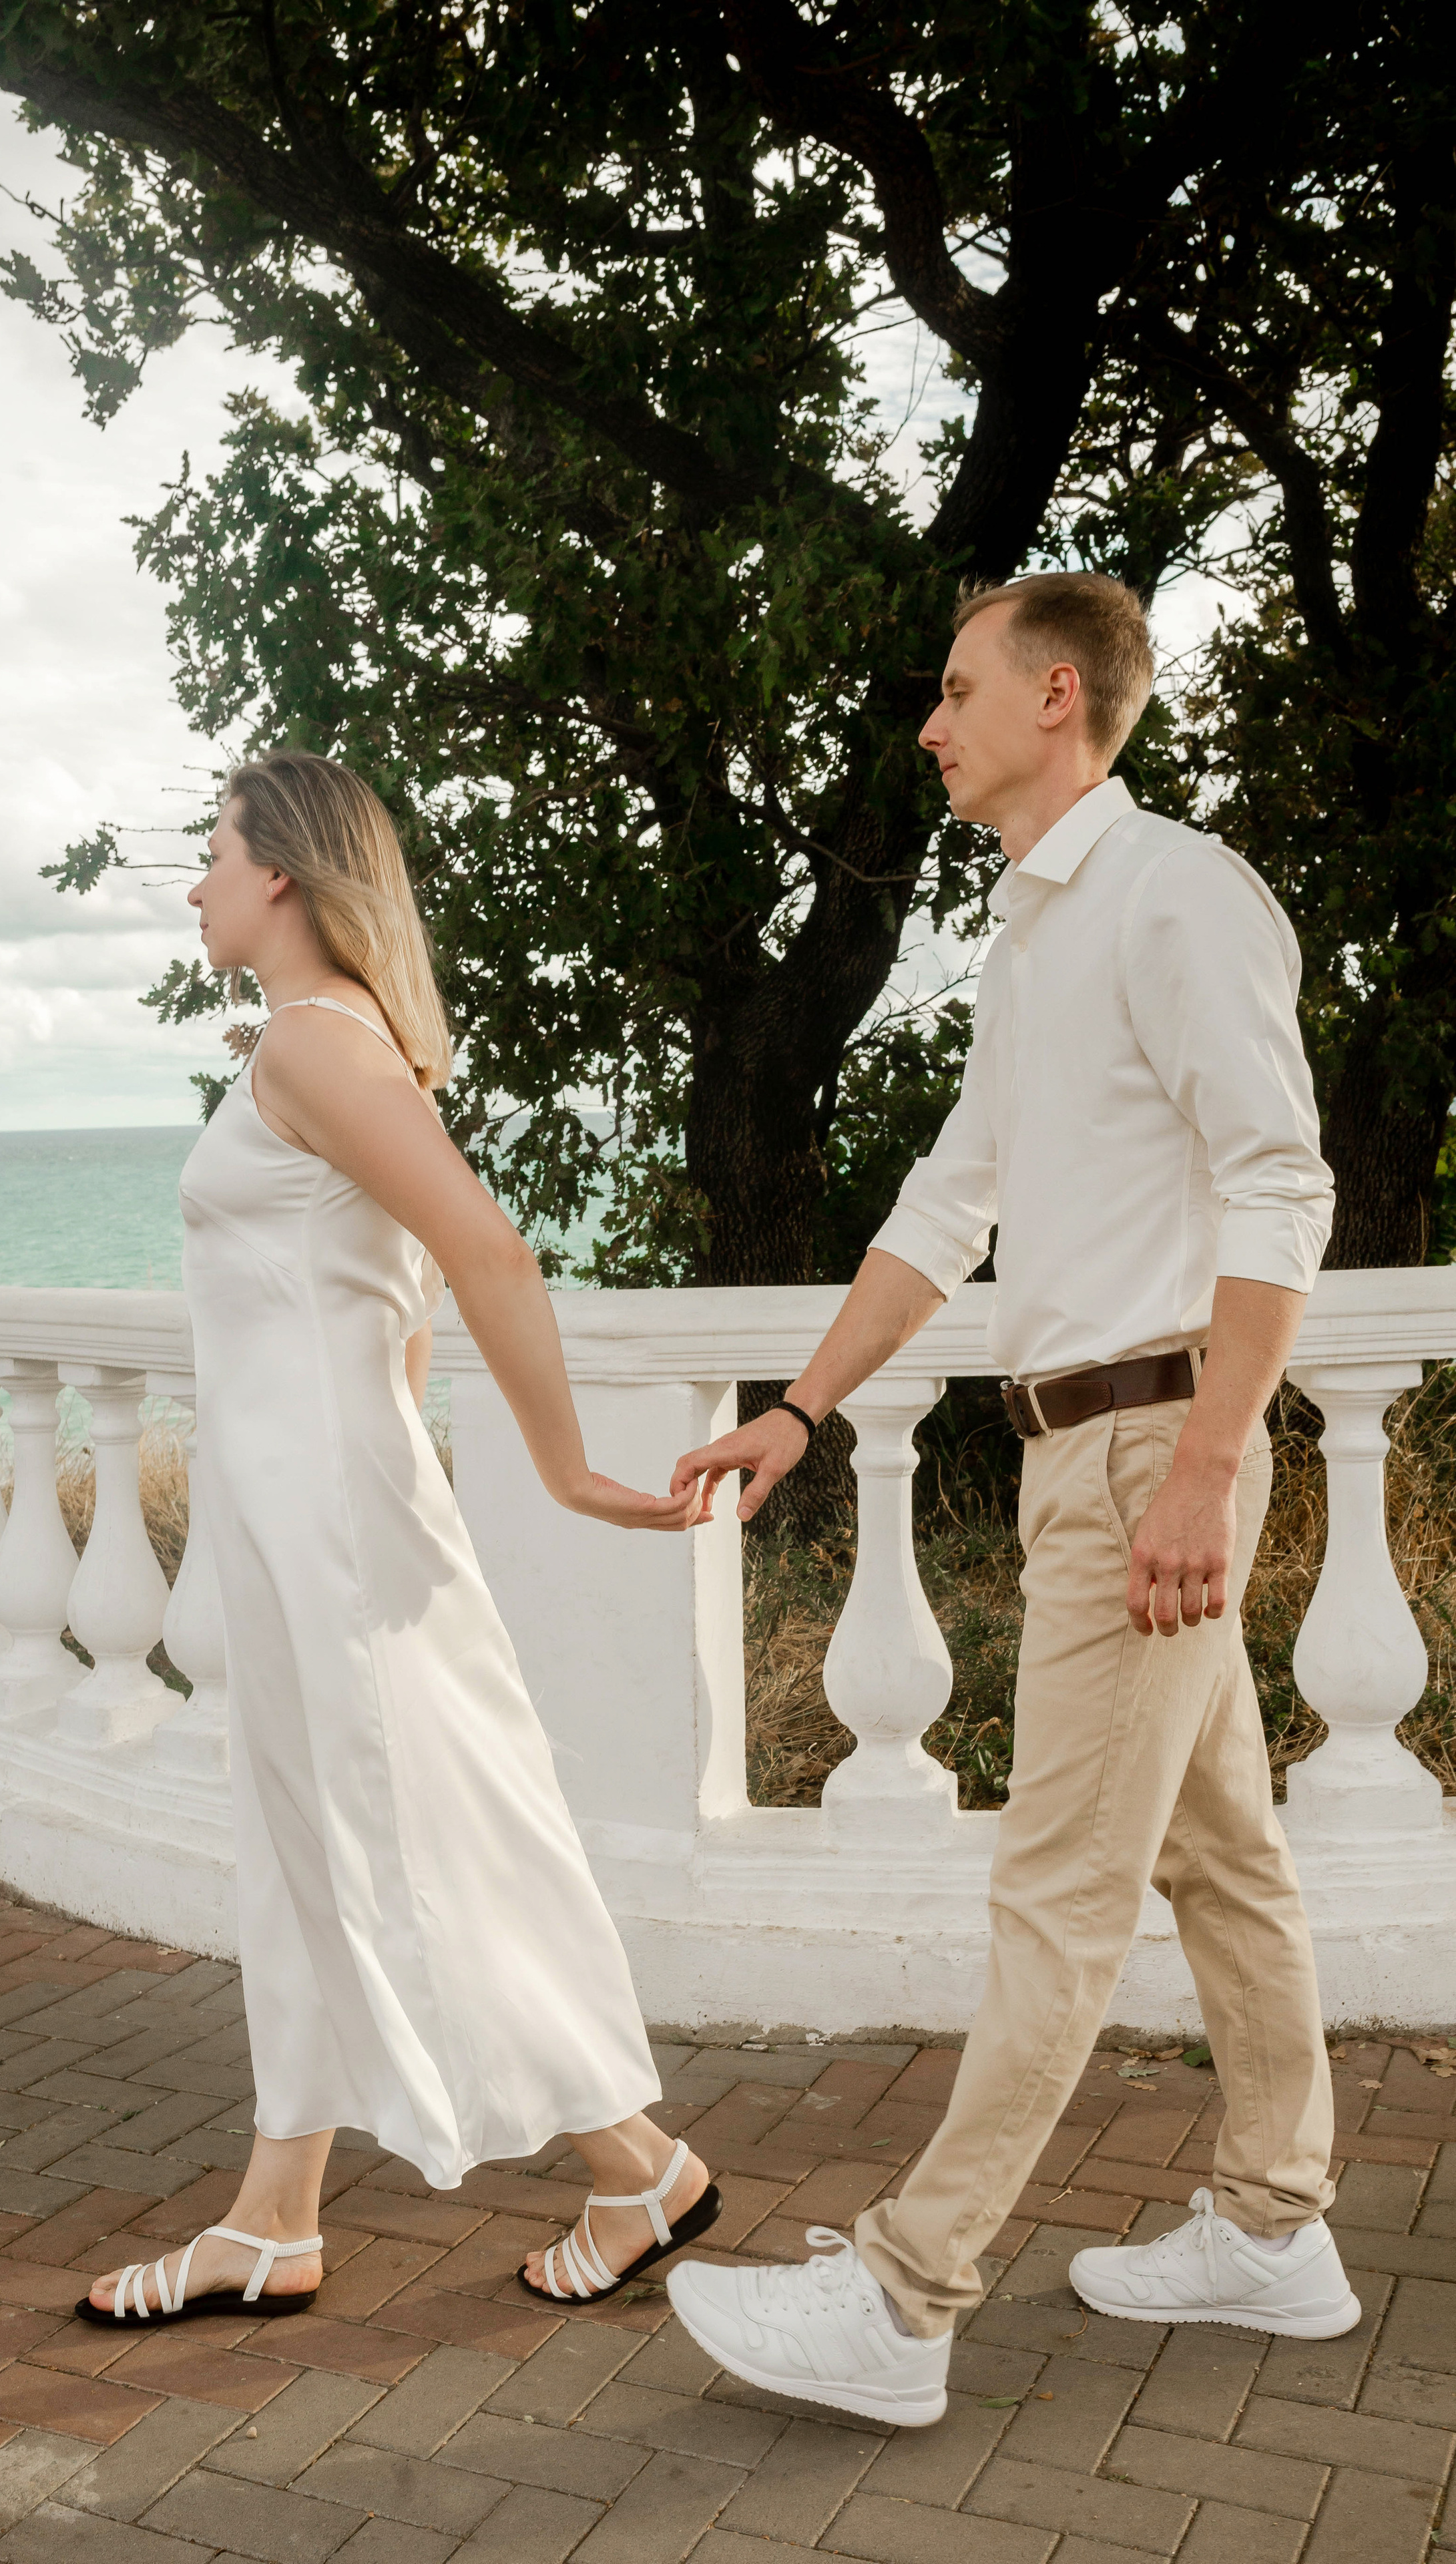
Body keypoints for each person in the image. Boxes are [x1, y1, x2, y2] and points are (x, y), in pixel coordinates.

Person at [662, 573, 1359, 2427]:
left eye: (956, 691)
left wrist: (1208, 1466)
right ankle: (1277, 2225)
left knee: (1056, 1893)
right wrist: (802, 1410)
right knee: (1223, 1861)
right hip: (1088, 1447)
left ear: (1061, 698)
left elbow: (1282, 1191)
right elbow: (945, 1204)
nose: (930, 723)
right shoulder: (1036, 932)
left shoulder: (1174, 897)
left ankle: (906, 2298)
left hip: (1152, 1446)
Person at [79, 751, 718, 2328]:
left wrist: (560, 1470)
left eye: (212, 856)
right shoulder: (335, 1046)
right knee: (313, 1852)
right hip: (314, 1507)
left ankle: (638, 2164)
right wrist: (389, 1434)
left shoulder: (307, 1046)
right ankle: (272, 2218)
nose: (195, 886)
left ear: (281, 874)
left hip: (330, 1522)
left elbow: (484, 1251)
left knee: (415, 1843)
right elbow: (402, 1295)